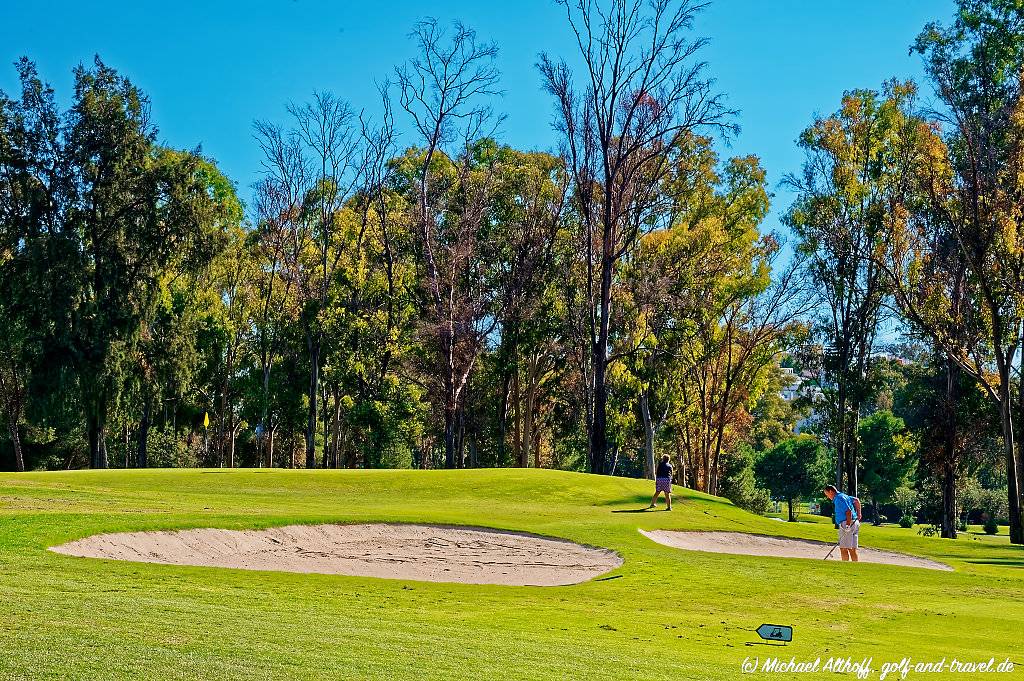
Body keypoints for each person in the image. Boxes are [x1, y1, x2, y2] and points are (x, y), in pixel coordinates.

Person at [823, 484, 861, 562]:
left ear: (831, 491)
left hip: (847, 523)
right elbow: (856, 500)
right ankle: (856, 567)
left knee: (844, 548)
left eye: (827, 494)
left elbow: (848, 511)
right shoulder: (844, 496)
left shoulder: (838, 498)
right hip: (855, 522)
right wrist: (859, 513)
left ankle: (844, 566)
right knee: (852, 549)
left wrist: (847, 525)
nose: (828, 497)